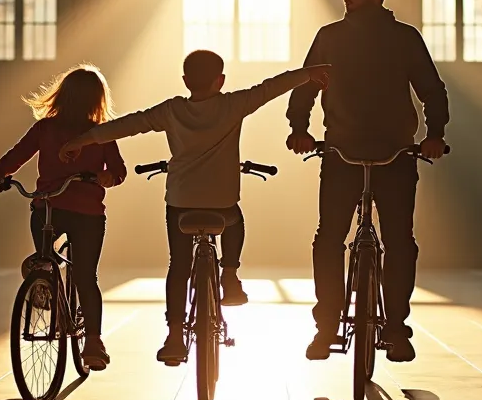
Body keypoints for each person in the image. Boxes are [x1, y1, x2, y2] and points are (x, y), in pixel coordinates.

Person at [60, 50, 331, 364]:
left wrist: (82, 141)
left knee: (179, 266)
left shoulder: (171, 111)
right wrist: (308, 73)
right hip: (222, 203)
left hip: (181, 204)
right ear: (221, 80)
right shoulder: (234, 104)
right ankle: (230, 275)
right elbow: (272, 87)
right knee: (234, 217)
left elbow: (128, 125)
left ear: (186, 80)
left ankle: (175, 336)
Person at [286, 0, 449, 363]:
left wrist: (435, 134)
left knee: (399, 243)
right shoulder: (329, 37)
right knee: (329, 239)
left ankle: (395, 328)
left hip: (395, 154)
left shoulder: (405, 38)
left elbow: (433, 90)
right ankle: (326, 327)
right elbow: (306, 86)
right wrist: (298, 128)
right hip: (342, 151)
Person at [0, 65, 126, 372]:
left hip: (54, 208)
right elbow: (119, 173)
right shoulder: (75, 131)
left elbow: (117, 172)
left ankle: (85, 331)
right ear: (97, 99)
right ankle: (53, 291)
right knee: (85, 276)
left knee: (76, 272)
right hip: (71, 212)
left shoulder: (94, 133)